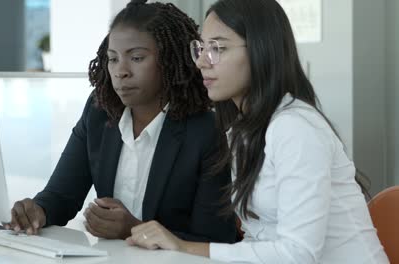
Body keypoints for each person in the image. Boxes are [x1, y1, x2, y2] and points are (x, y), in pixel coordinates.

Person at [126, 0, 390, 263]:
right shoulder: (244, 130)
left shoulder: (295, 128)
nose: (202, 63)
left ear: (262, 50)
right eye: (201, 48)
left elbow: (298, 254)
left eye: (218, 47)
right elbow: (261, 239)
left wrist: (184, 247)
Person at [4, 0, 237, 243]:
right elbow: (61, 196)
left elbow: (216, 239)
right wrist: (37, 211)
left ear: (171, 60)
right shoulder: (99, 112)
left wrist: (134, 229)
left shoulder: (207, 130)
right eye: (113, 59)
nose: (120, 71)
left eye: (136, 58)